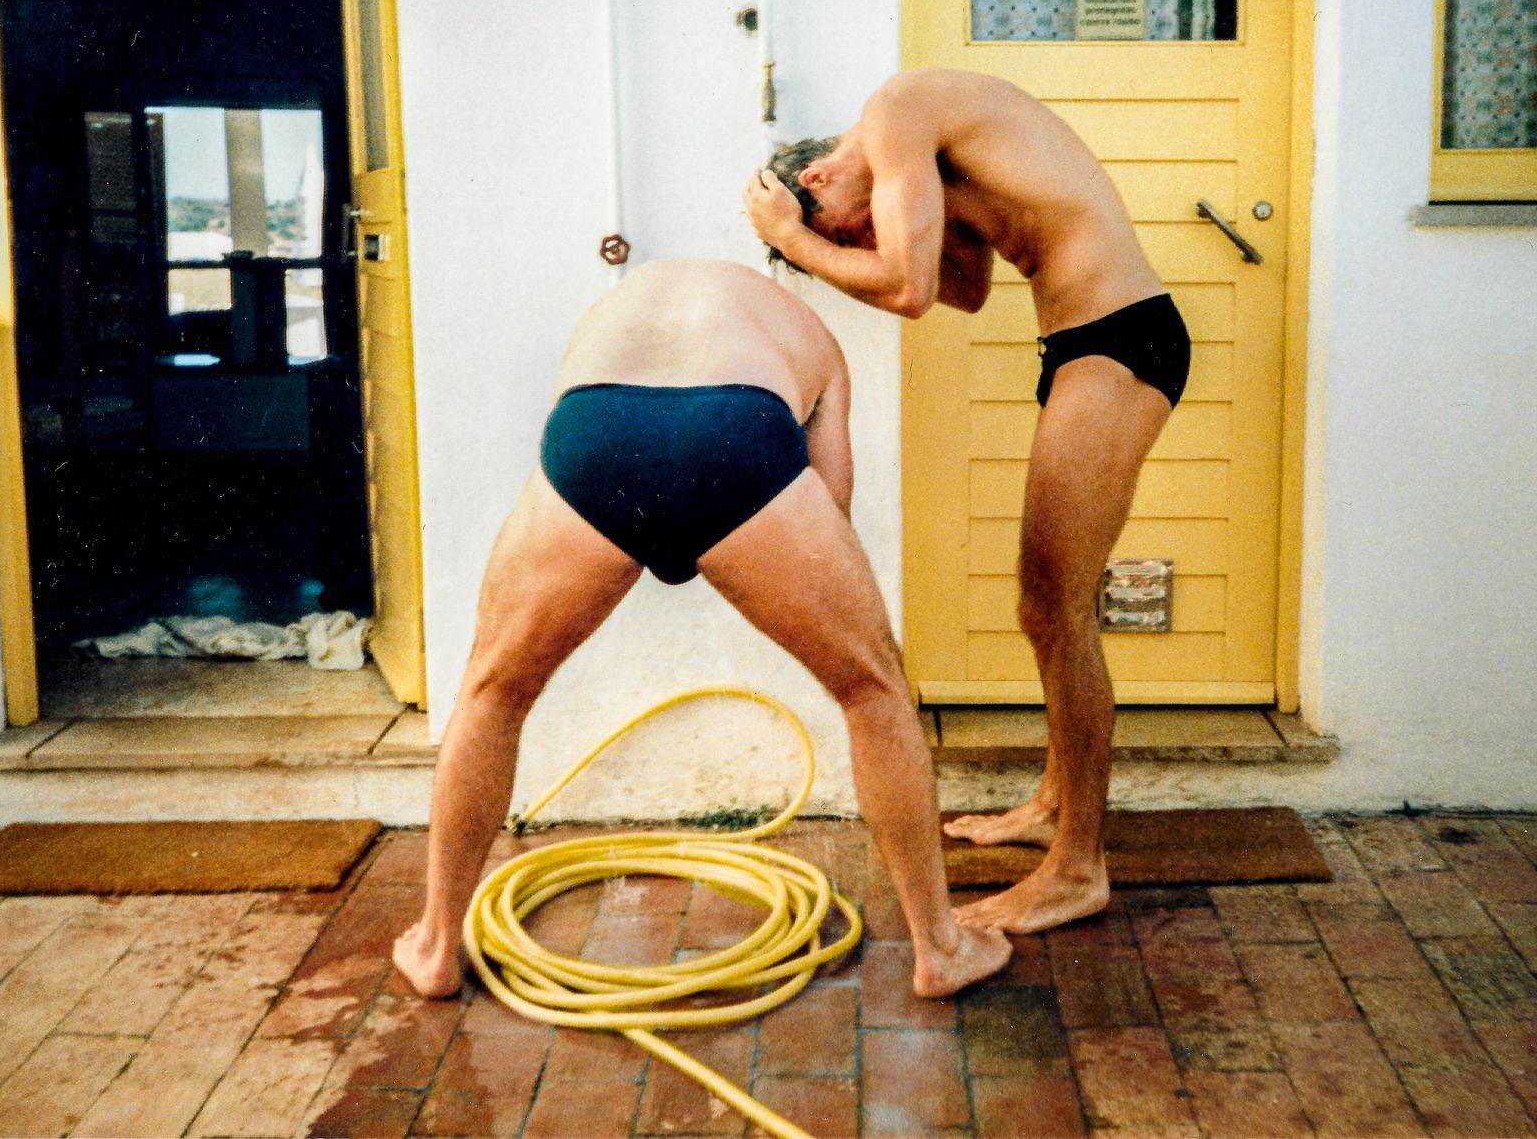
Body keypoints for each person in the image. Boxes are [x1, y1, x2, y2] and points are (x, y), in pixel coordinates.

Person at [392, 257, 1011, 1000]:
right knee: (872, 690)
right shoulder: (810, 335)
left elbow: (575, 418)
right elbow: (832, 506)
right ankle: (941, 947)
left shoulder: (625, 304)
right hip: (735, 431)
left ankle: (435, 945)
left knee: (493, 689)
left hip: (597, 430)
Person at [742, 68, 1191, 934]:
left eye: (847, 229)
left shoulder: (896, 110)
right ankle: (1055, 802)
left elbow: (907, 290)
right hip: (1084, 343)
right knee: (1043, 607)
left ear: (818, 178)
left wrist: (794, 241)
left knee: (1057, 608)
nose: (867, 238)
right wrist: (830, 245)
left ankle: (1078, 870)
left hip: (1121, 339)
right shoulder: (929, 162)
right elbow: (965, 289)